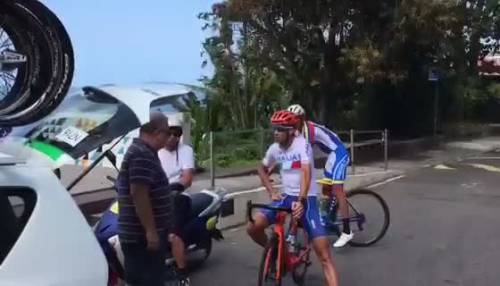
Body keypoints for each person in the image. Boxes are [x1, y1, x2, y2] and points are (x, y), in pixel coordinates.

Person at [247, 110, 340, 286]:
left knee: (324, 254)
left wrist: (301, 200)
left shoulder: (301, 144)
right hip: (286, 197)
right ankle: (274, 252)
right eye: (274, 129)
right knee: (252, 227)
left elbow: (306, 171)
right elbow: (261, 169)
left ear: (291, 131)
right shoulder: (274, 148)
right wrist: (272, 191)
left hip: (307, 198)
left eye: (280, 129)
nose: (275, 132)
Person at [116, 112, 173, 286]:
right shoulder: (142, 154)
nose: (169, 138)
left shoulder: (146, 152)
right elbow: (139, 194)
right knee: (147, 280)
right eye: (167, 133)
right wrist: (151, 231)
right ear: (157, 132)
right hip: (141, 237)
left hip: (141, 235)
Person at [287, 104, 353, 247]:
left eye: (295, 119)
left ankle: (347, 231)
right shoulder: (296, 130)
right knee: (326, 190)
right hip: (331, 156)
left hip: (339, 152)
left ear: (301, 119)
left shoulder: (309, 131)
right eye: (290, 120)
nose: (292, 122)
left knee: (337, 189)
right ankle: (329, 219)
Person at [158, 115, 194, 285]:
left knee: (172, 235)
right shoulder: (154, 151)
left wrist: (173, 187)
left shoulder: (185, 150)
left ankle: (182, 273)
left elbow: (187, 178)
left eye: (177, 133)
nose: (174, 137)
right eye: (170, 133)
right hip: (156, 196)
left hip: (177, 196)